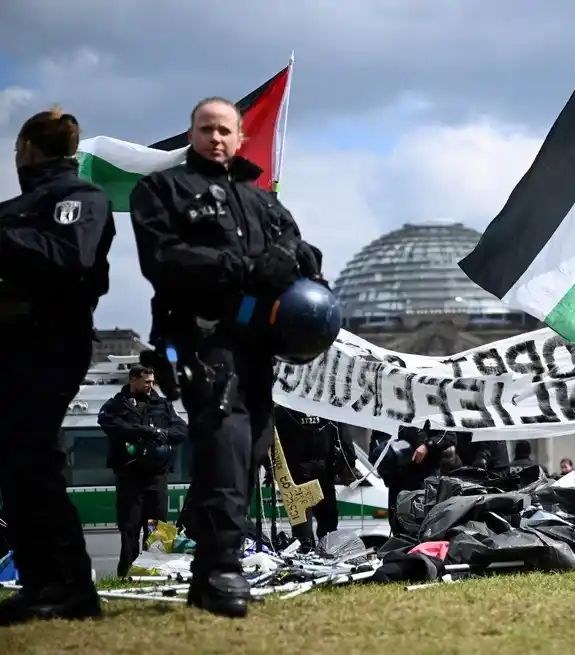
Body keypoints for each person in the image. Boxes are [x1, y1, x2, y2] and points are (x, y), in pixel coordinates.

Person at [129, 97, 325, 618]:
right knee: (226, 447)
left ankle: (208, 564)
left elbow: (305, 252)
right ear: (191, 133)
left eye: (225, 130)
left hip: (259, 345)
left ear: (240, 138)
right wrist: (242, 268)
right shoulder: (163, 190)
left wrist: (289, 258)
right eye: (206, 129)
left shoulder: (261, 200)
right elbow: (164, 260)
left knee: (252, 449)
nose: (216, 138)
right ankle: (221, 571)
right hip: (203, 341)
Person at [0, 107, 115, 626]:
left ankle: (68, 585)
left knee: (31, 458)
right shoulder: (15, 207)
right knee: (16, 466)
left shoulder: (80, 200)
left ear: (26, 147)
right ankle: (39, 581)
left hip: (50, 341)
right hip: (11, 343)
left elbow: (72, 260)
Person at [98, 364, 188, 577]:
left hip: (157, 477)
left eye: (152, 381)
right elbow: (109, 424)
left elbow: (182, 430)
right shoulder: (116, 405)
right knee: (129, 530)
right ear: (134, 380)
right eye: (146, 381)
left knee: (159, 528)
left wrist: (162, 434)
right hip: (130, 477)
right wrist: (145, 432)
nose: (150, 385)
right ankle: (128, 574)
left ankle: (155, 573)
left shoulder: (162, 405)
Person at [272, 406, 340, 550]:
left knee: (317, 525)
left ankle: (313, 551)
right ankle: (312, 551)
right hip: (301, 469)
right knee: (310, 525)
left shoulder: (282, 410)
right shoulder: (325, 408)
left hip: (308, 469)